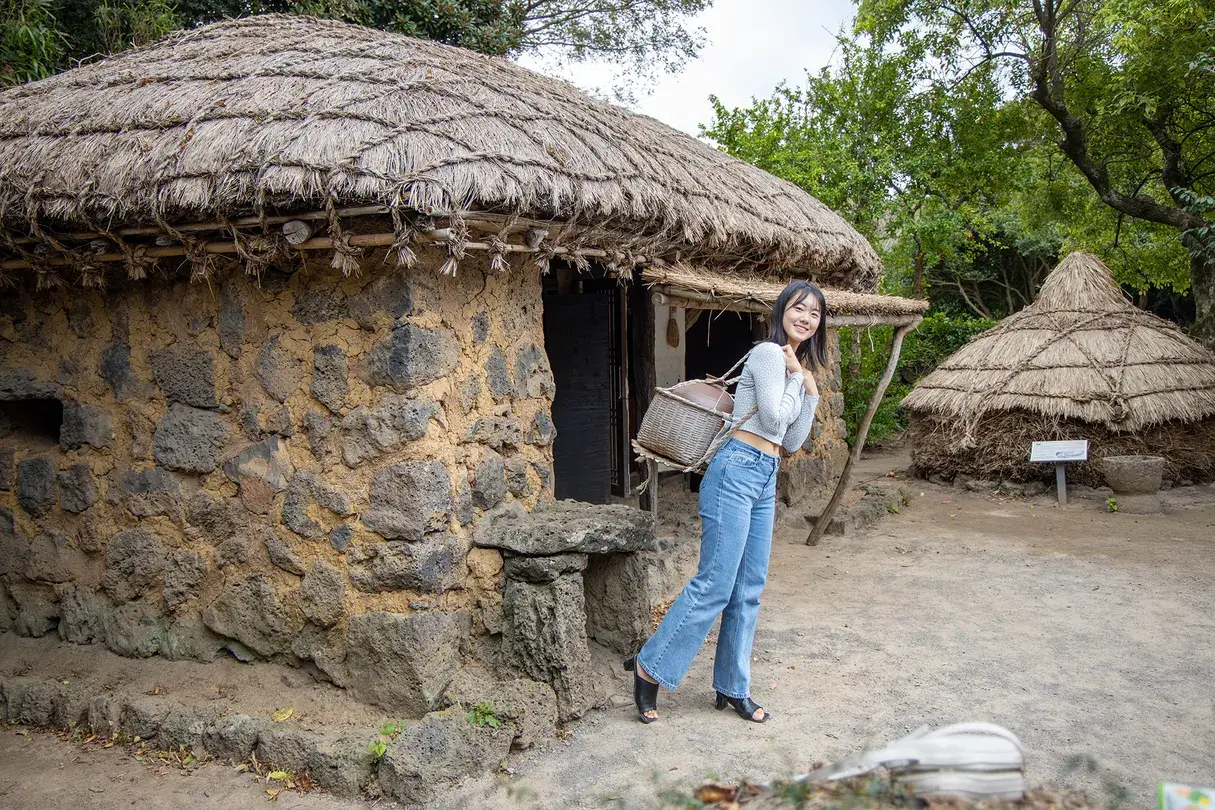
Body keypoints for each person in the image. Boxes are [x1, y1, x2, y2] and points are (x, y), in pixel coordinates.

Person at [625, 280, 826, 724]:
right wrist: (797, 380)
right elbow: (772, 417)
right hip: (736, 469)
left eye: (814, 313)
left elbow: (791, 439)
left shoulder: (794, 367)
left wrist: (809, 391)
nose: (806, 318)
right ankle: (649, 666)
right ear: (782, 310)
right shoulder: (769, 354)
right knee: (716, 582)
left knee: (749, 588)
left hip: (766, 474)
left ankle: (733, 687)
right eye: (799, 308)